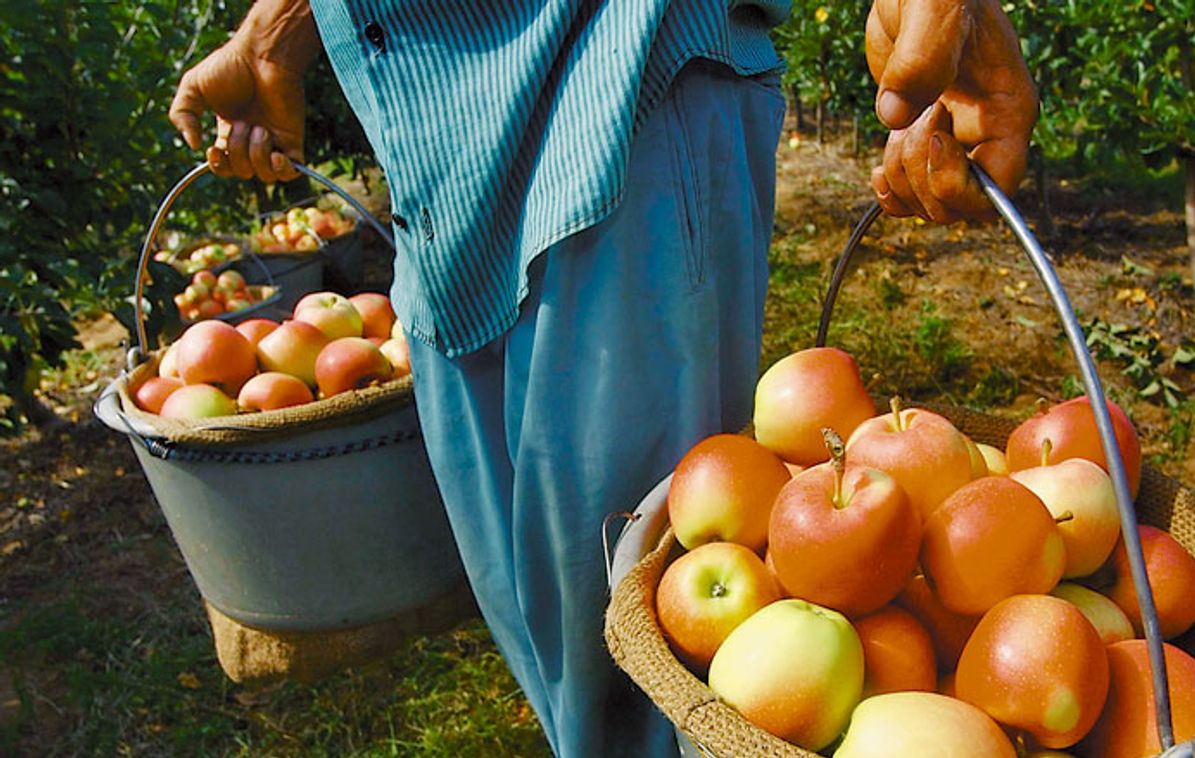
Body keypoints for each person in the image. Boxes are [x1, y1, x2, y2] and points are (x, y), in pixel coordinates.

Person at [169, 1, 1036, 755]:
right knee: (558, 644)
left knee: (651, 677)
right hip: (429, 141)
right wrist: (277, 34)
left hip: (617, 83)